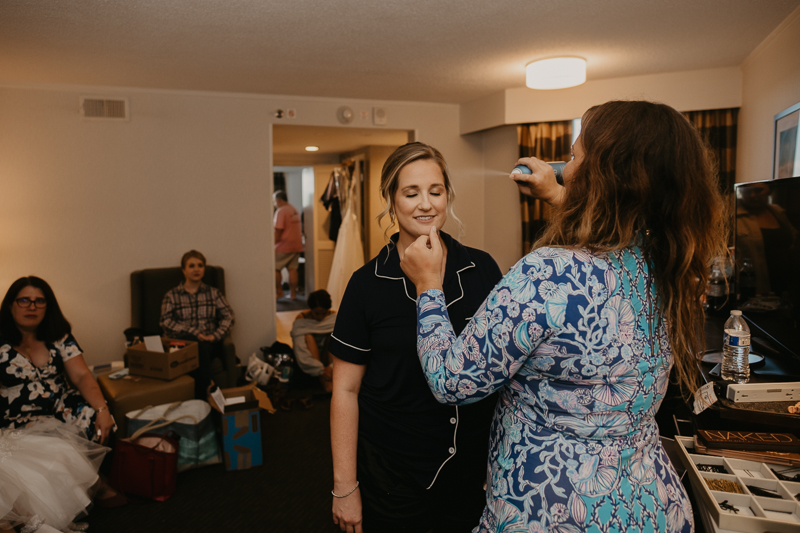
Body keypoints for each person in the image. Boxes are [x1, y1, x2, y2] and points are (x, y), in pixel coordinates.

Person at [400, 101, 727, 532]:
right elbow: (614, 233)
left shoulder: (547, 273)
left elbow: (453, 379)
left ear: (603, 179)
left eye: (573, 158)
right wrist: (556, 194)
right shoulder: (673, 265)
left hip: (552, 508)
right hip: (650, 506)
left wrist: (428, 289)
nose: (564, 171)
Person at [329, 142, 503, 533]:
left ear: (448, 195)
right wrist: (344, 486)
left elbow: (503, 374)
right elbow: (345, 391)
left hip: (472, 471)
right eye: (411, 193)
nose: (426, 204)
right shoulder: (365, 285)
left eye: (436, 191)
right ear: (391, 199)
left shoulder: (482, 268)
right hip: (394, 473)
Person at [0, 276, 125, 532]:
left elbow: (81, 375)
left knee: (97, 418)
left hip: (62, 408)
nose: (32, 306)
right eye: (24, 300)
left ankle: (95, 480)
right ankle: (88, 487)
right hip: (17, 419)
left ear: (48, 307)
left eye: (39, 301)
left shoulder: (60, 337)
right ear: (11, 305)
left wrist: (102, 411)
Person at [160, 250, 235, 399]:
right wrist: (195, 333)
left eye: (200, 265)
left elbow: (229, 316)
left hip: (209, 344)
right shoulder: (172, 295)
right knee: (195, 344)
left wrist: (215, 336)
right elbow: (165, 321)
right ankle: (209, 387)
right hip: (181, 344)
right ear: (184, 270)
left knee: (201, 348)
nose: (196, 269)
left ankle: (203, 394)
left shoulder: (213, 293)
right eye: (191, 266)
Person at [291, 289, 337, 392]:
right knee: (308, 336)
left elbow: (344, 345)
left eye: (323, 314)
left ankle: (332, 374)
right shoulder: (302, 320)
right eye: (317, 313)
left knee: (334, 336)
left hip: (329, 357)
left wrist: (332, 367)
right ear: (310, 309)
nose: (320, 318)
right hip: (311, 360)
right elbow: (300, 350)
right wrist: (320, 370)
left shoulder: (334, 317)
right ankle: (324, 378)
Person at [274, 190, 304, 300]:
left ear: (279, 200)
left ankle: (279, 292)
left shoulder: (281, 211)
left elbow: (278, 230)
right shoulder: (294, 209)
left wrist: (272, 244)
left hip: (283, 246)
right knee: (293, 269)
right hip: (296, 245)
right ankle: (293, 295)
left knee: (275, 268)